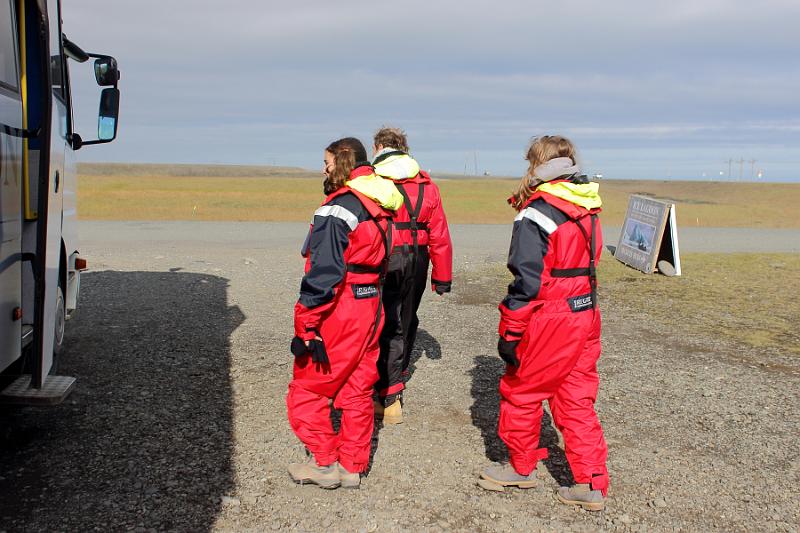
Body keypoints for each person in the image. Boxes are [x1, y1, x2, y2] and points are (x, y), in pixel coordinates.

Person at [479, 135, 609, 511]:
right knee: (576, 396)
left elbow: (526, 282)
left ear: (534, 164)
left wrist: (512, 331)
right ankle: (591, 482)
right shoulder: (587, 205)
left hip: (551, 316)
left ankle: (521, 468)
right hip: (585, 311)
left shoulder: (536, 212)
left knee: (522, 390)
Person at [287, 137, 403, 489]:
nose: (323, 168)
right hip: (370, 306)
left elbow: (324, 274)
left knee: (307, 389)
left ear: (342, 161)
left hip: (341, 310)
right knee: (357, 387)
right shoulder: (380, 205)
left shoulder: (336, 209)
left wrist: (306, 326)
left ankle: (324, 463)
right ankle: (352, 466)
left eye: (327, 161)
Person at [370, 127, 453, 424]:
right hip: (418, 260)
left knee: (377, 318)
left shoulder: (373, 178)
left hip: (383, 255)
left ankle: (379, 387)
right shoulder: (426, 185)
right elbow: (439, 234)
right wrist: (442, 276)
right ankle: (395, 384)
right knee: (405, 318)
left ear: (378, 146)